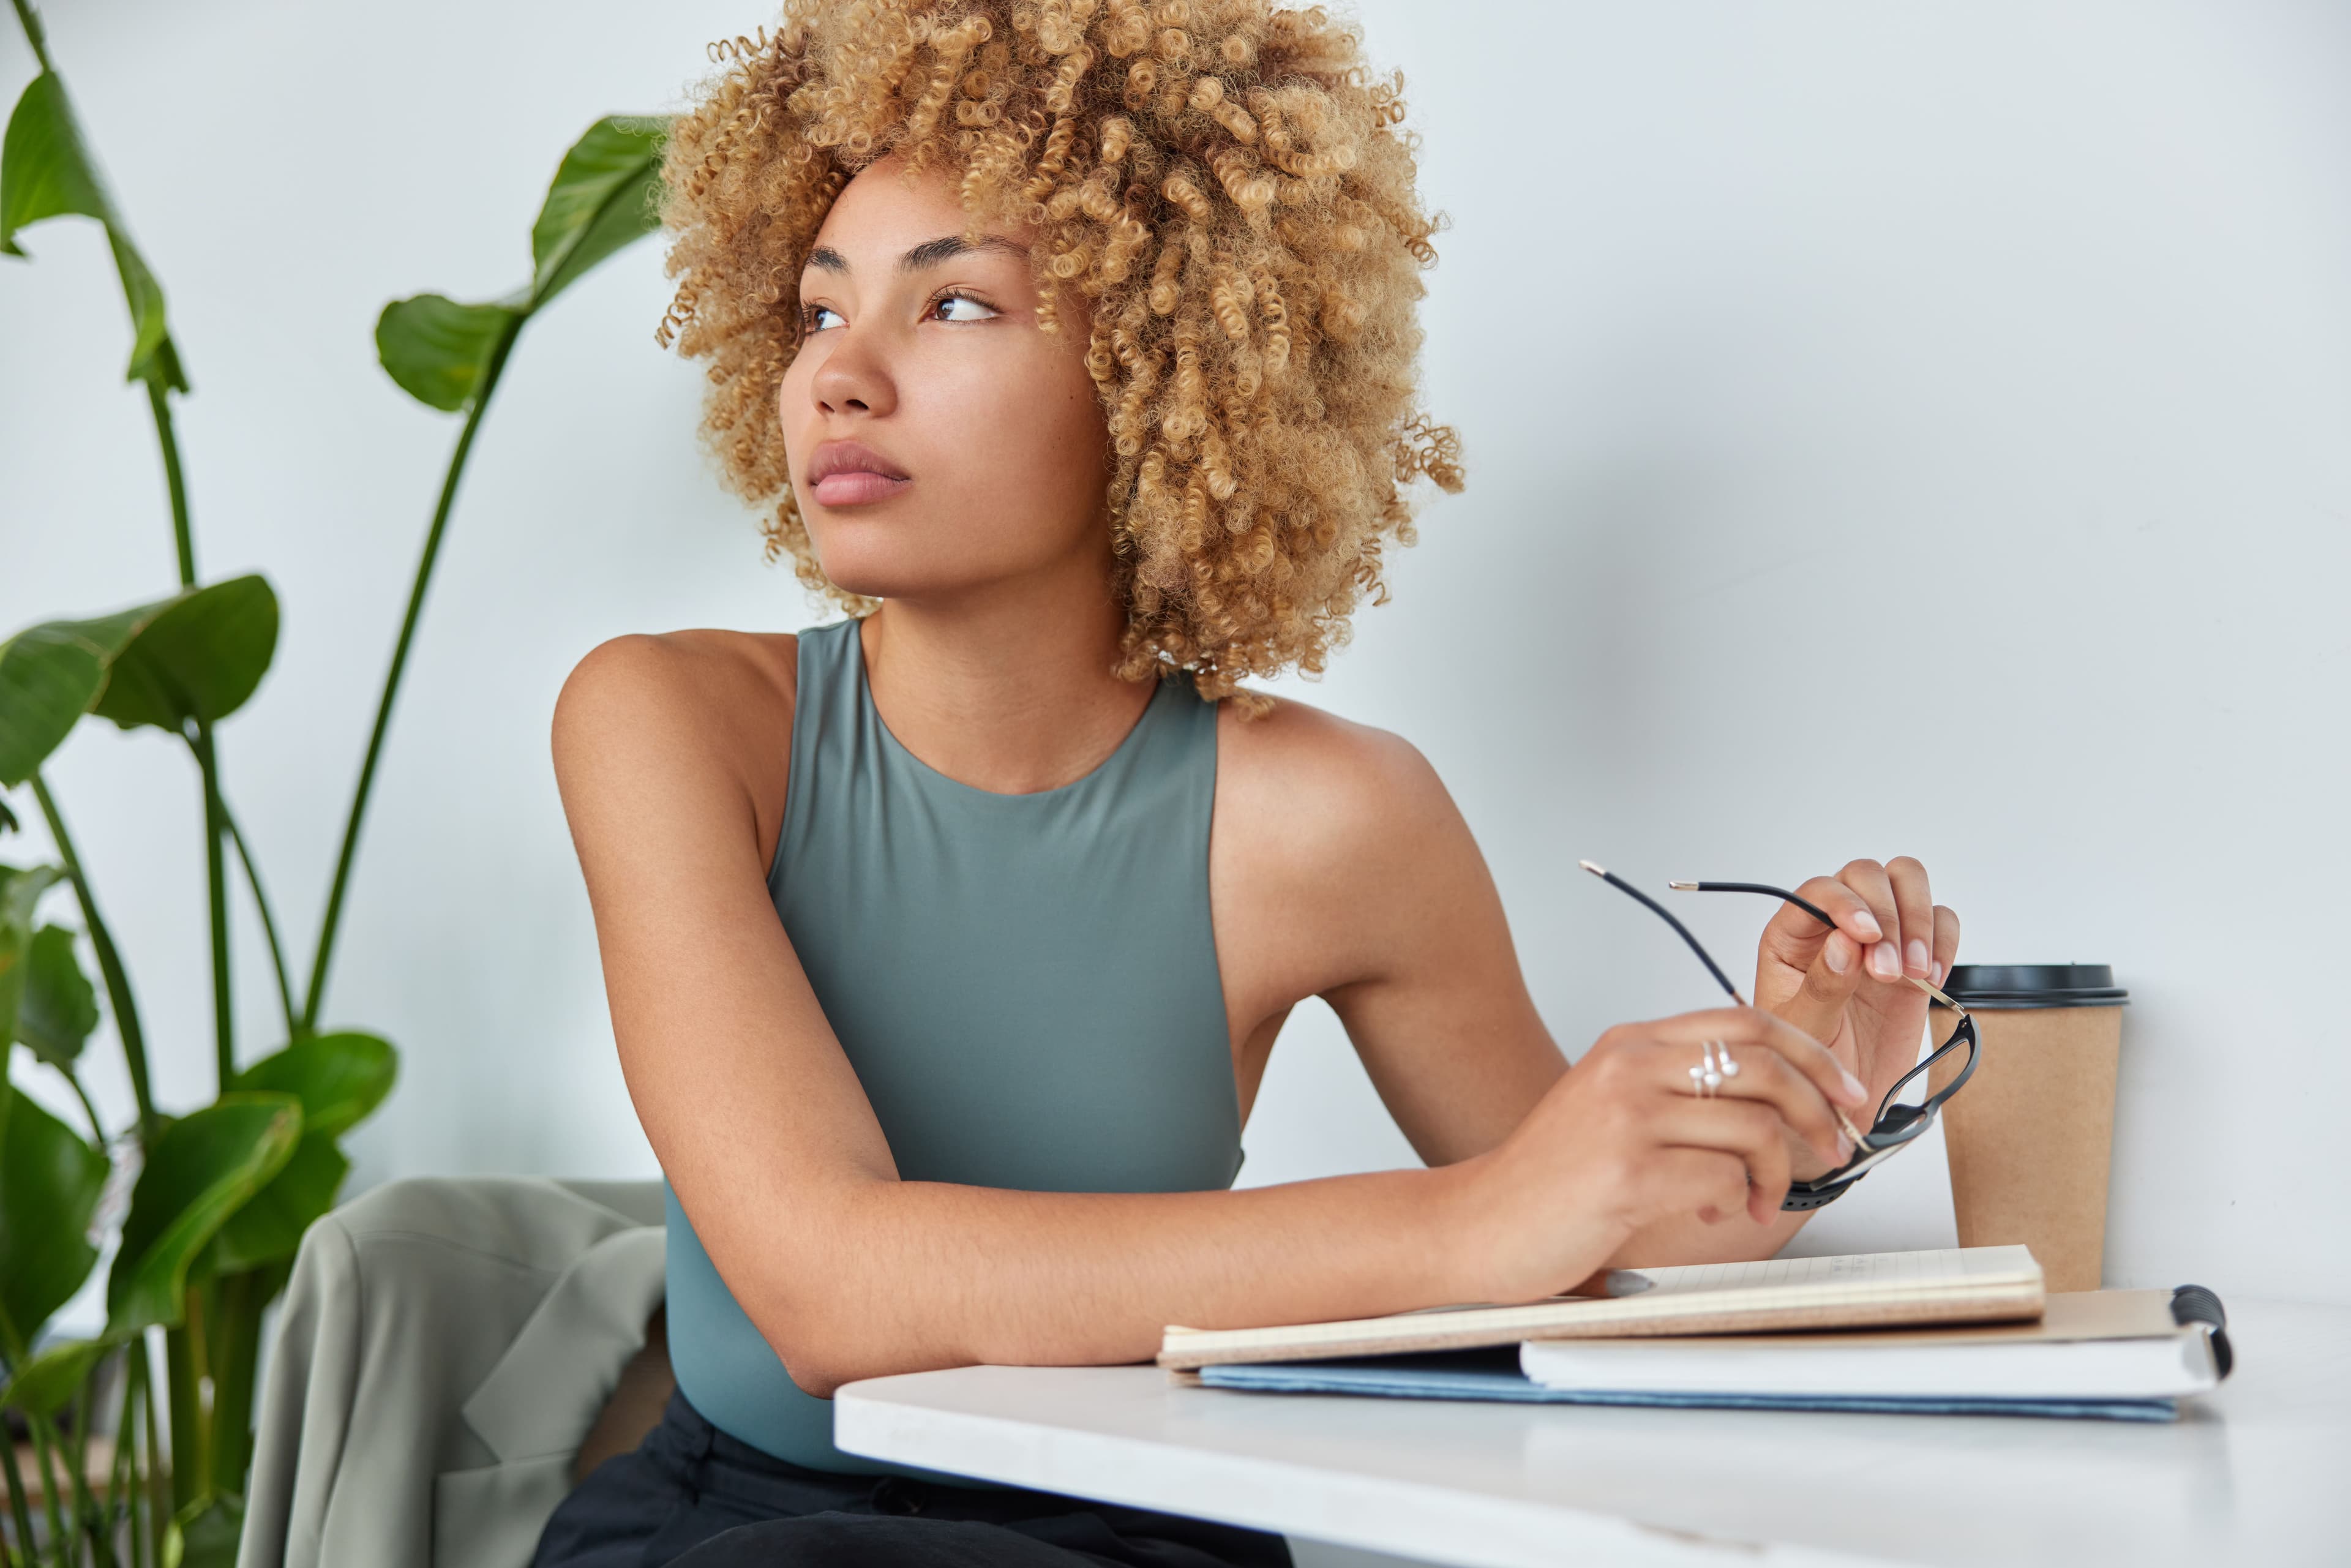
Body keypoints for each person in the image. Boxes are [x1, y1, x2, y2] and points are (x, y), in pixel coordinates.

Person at [538, 2, 1960, 1564]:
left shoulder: (1335, 819)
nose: (839, 379)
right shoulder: (668, 721)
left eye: (953, 310)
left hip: (1133, 1532)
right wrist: (1476, 1226)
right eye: (818, 312)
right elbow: (831, 1298)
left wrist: (1800, 1099)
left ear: (1163, 366)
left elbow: (1610, 1264)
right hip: (738, 1529)